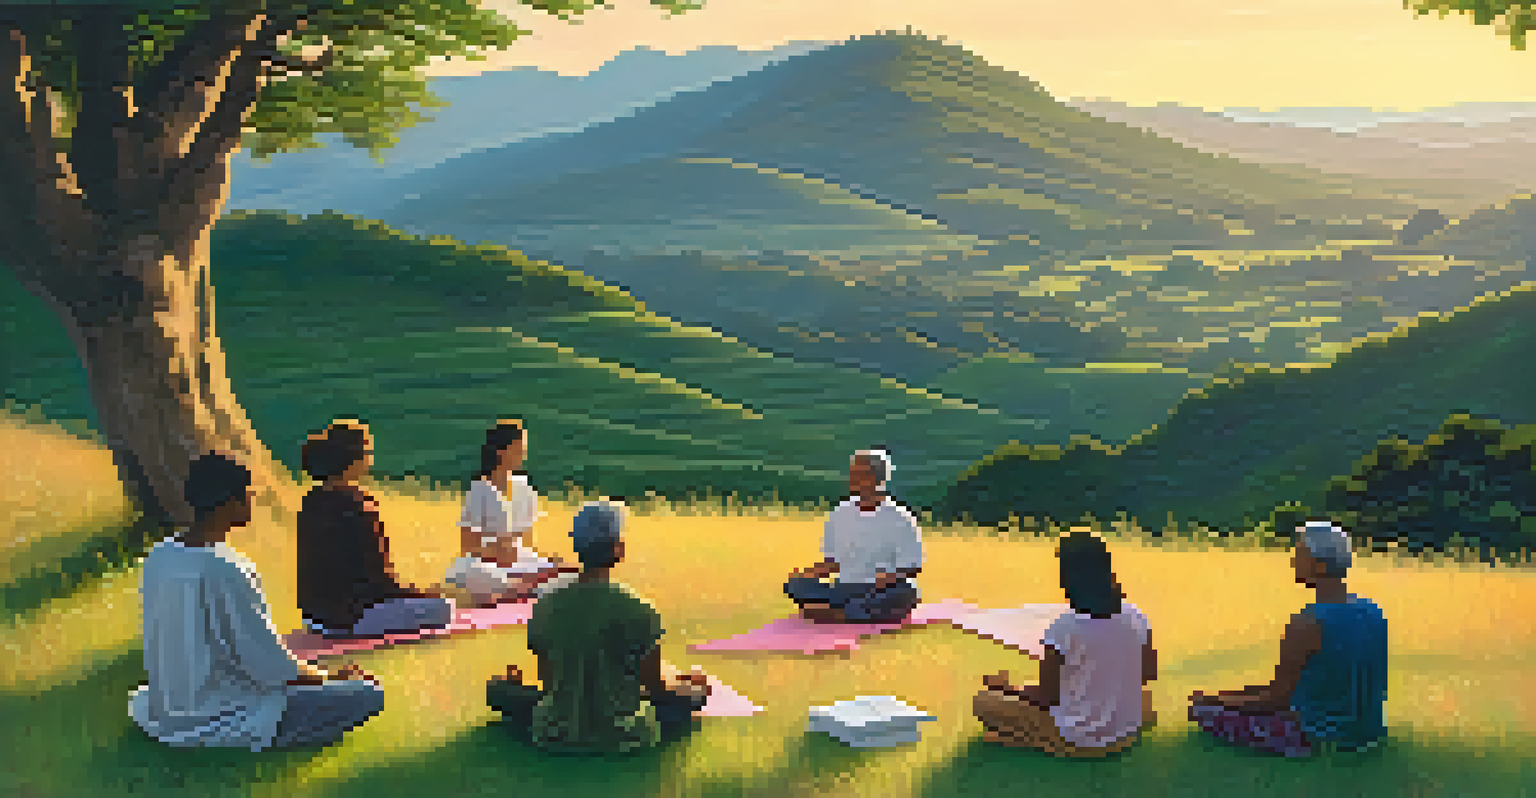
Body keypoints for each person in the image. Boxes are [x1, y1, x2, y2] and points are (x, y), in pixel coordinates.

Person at [129, 452, 384, 751]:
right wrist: (329, 678)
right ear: (230, 502)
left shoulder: (160, 554)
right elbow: (269, 665)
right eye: (250, 494)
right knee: (368, 694)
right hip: (223, 713)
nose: (253, 502)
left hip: (169, 706)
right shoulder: (227, 567)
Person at [485, 500, 713, 754]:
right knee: (696, 693)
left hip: (555, 729)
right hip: (626, 732)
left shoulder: (545, 606)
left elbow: (549, 686)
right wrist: (686, 682)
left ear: (577, 547)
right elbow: (656, 687)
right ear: (619, 549)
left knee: (499, 689)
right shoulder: (640, 609)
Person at [1189, 520, 1388, 757]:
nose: (1293, 561)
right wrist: (1226, 696)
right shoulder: (1372, 610)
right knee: (1225, 702)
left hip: (1316, 735)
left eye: (1300, 554)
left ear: (1321, 566)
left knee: (1202, 711)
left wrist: (1215, 701)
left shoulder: (1308, 622)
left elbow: (1276, 699)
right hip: (1367, 732)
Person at [973, 527, 1158, 758]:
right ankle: (1038, 736)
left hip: (1078, 735)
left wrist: (1007, 688)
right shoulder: (1137, 616)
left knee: (983, 702)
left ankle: (1033, 740)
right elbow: (1148, 674)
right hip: (1126, 729)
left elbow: (1046, 697)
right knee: (1143, 700)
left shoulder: (1063, 629)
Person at [296, 420, 454, 637]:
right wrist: (419, 593)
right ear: (353, 459)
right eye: (368, 452)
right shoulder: (358, 505)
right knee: (443, 608)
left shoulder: (311, 501)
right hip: (351, 618)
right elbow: (379, 579)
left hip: (314, 617)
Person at [443, 420, 579, 607]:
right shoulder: (480, 490)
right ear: (500, 451)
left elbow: (528, 543)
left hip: (521, 563)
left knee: (569, 574)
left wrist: (548, 561)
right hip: (488, 565)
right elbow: (468, 547)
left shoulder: (524, 488)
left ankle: (521, 588)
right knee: (467, 570)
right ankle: (524, 589)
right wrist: (495, 552)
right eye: (518, 448)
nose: (523, 454)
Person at [784, 448, 923, 623]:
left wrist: (891, 577)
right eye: (853, 473)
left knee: (907, 591)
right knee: (795, 585)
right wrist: (811, 573)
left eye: (860, 473)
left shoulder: (901, 518)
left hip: (878, 590)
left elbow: (913, 567)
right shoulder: (839, 513)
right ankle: (851, 610)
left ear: (878, 478)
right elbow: (833, 563)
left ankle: (840, 612)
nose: (853, 479)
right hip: (843, 588)